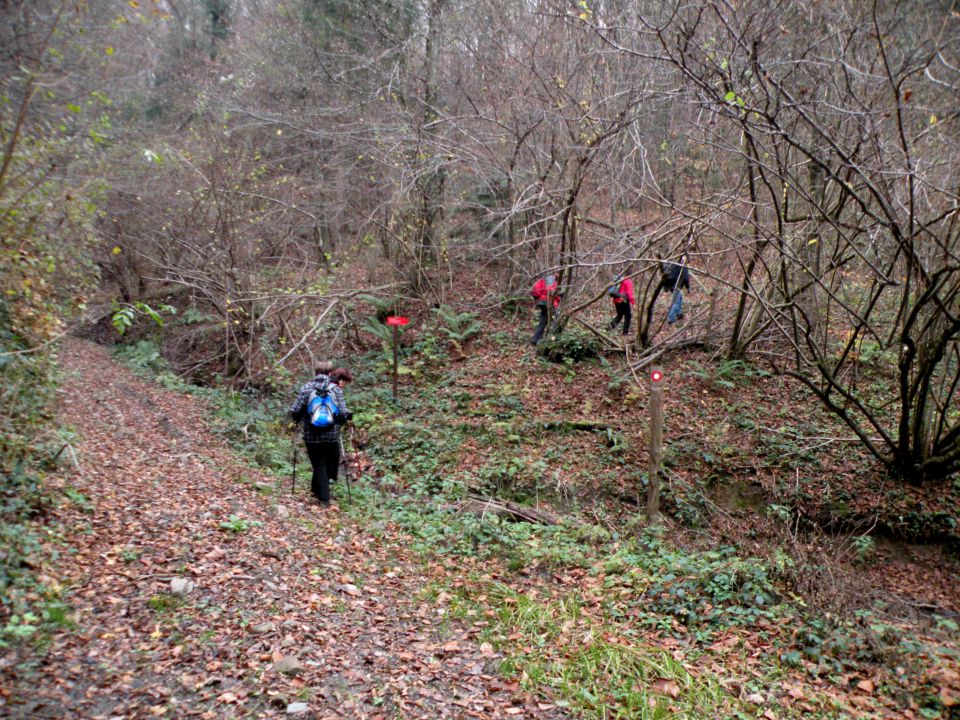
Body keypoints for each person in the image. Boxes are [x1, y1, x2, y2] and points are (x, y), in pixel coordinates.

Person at [288, 365, 351, 507]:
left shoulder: (306, 388)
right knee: (327, 464)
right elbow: (343, 413)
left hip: (311, 435)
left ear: (315, 372)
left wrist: (298, 418)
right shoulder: (335, 389)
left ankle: (319, 494)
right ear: (330, 373)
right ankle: (323, 497)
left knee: (319, 464)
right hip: (331, 435)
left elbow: (295, 411)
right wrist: (342, 421)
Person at [529, 273, 561, 345]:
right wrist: (559, 296)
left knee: (543, 321)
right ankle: (550, 340)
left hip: (543, 302)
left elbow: (536, 292)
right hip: (549, 303)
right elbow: (552, 292)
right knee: (554, 322)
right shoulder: (551, 280)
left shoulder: (543, 279)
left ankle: (536, 339)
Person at [660, 255, 690, 324]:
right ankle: (671, 318)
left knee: (680, 298)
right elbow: (686, 277)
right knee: (676, 302)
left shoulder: (676, 265)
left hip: (671, 285)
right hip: (676, 286)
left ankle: (679, 314)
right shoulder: (683, 266)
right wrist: (688, 287)